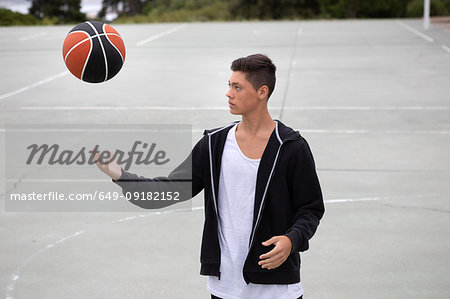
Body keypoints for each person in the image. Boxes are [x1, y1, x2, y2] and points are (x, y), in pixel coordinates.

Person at [95, 54, 324, 299]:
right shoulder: (214, 144)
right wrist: (121, 176)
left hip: (278, 288)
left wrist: (292, 240)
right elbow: (171, 189)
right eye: (229, 86)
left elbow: (310, 209)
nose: (229, 93)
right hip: (224, 287)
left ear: (262, 92)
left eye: (238, 87)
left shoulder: (290, 147)